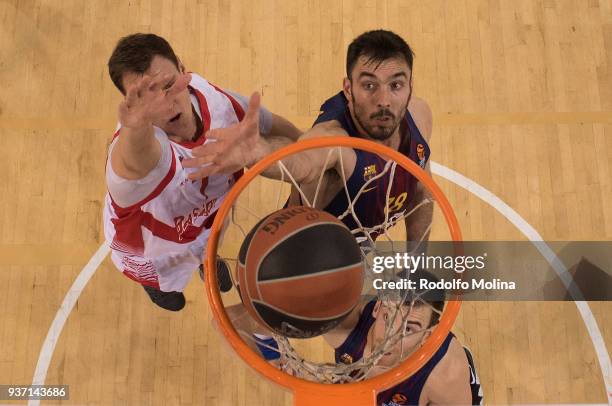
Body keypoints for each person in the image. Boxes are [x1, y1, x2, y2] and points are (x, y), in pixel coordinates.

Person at [102, 33, 300, 311]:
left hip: (207, 218)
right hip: (156, 254)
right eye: (148, 102)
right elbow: (132, 165)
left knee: (213, 234)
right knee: (171, 292)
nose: (166, 104)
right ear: (131, 105)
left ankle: (208, 260)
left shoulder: (214, 99)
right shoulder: (142, 157)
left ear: (183, 70)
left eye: (170, 86)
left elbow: (274, 127)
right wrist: (136, 126)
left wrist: (311, 151)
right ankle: (159, 288)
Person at [183, 29, 434, 247]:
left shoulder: (419, 117)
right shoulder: (334, 141)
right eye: (369, 85)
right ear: (348, 89)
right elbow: (301, 160)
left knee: (428, 296)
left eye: (396, 85)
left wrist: (417, 268)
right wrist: (259, 152)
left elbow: (421, 192)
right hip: (307, 260)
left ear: (410, 86)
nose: (384, 100)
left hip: (357, 245)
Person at [323, 270, 484, 405]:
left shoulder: (445, 374)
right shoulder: (345, 326)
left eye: (408, 329)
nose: (390, 338)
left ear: (426, 336)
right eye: (388, 318)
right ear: (378, 307)